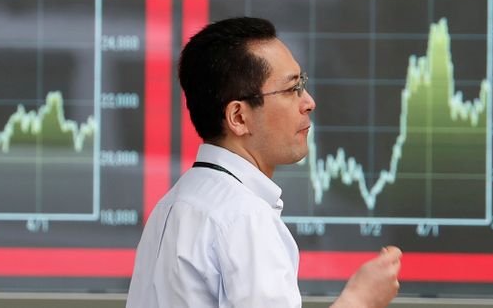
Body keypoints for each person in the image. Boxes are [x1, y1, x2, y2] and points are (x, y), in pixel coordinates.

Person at [127, 16, 401, 307]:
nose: (308, 101)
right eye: (290, 89)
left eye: (302, 84)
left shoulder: (171, 205)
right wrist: (360, 299)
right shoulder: (244, 217)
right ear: (239, 117)